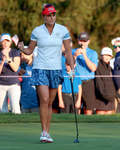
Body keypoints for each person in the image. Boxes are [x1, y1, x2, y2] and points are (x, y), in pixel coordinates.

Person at [18, 4, 75, 143]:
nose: (51, 17)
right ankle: (43, 131)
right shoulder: (37, 31)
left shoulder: (62, 30)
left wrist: (72, 69)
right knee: (44, 99)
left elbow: (68, 51)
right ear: (43, 16)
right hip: (40, 68)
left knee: (50, 102)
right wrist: (21, 48)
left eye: (53, 15)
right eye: (48, 15)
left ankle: (47, 132)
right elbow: (30, 50)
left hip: (55, 69)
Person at [0, 33, 21, 114]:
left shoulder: (15, 52)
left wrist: (8, 58)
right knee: (2, 108)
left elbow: (15, 68)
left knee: (15, 107)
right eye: (3, 41)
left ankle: (17, 125)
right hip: (0, 84)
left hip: (13, 84)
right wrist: (2, 61)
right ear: (0, 43)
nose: (5, 43)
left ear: (10, 42)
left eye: (7, 41)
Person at [72, 32, 98, 115]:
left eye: (84, 41)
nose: (82, 43)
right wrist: (75, 56)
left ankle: (88, 126)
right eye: (81, 41)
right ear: (78, 41)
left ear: (88, 42)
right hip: (75, 82)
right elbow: (68, 67)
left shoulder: (93, 53)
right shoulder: (72, 52)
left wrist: (85, 56)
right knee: (76, 108)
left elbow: (93, 68)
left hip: (88, 83)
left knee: (88, 108)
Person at [95, 47, 116, 114]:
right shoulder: (97, 67)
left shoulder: (110, 68)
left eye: (109, 55)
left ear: (111, 57)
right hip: (100, 100)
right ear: (101, 56)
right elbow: (99, 85)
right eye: (105, 55)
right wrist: (109, 96)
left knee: (109, 122)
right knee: (101, 121)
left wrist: (112, 96)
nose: (107, 57)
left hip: (110, 100)